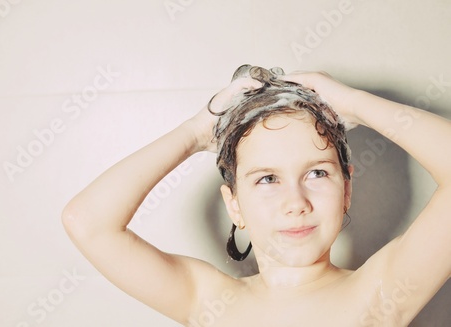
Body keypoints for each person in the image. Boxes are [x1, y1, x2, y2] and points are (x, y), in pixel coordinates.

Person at [61, 65, 451, 326]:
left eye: (316, 172)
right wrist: (196, 133)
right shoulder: (209, 302)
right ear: (234, 204)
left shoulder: (381, 294)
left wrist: (355, 104)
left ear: (346, 190)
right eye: (267, 179)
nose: (295, 202)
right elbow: (89, 222)